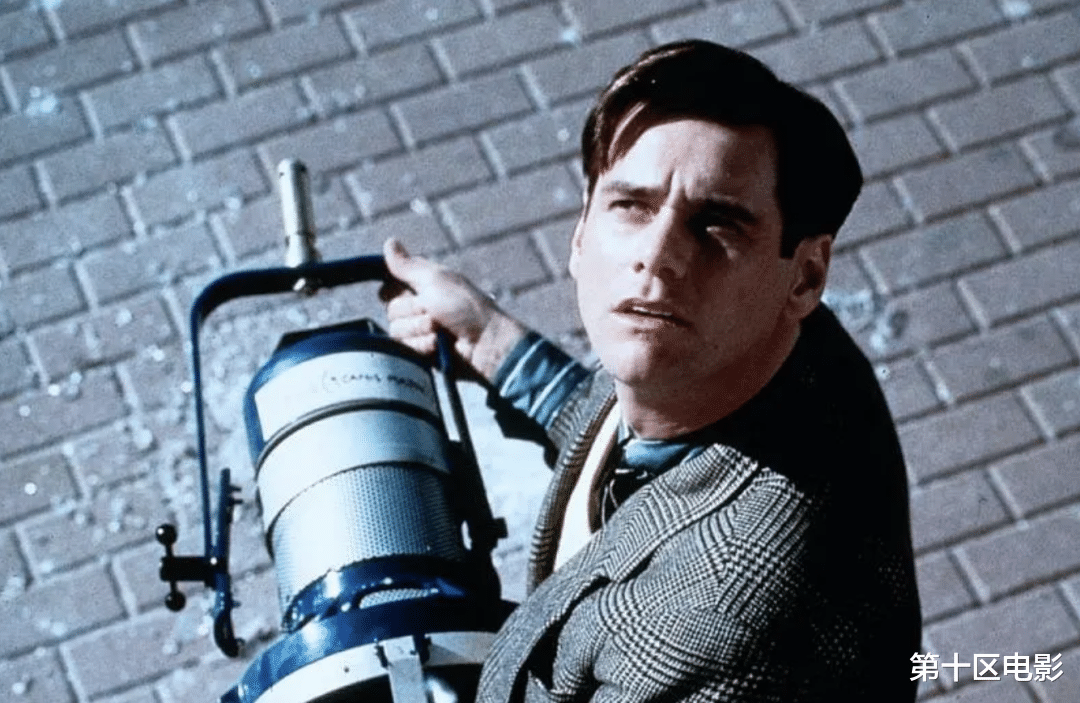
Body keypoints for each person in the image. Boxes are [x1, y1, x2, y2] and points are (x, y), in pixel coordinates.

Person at [380, 40, 921, 702]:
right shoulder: (782, 345)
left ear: (805, 275)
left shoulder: (718, 624)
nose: (658, 255)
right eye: (631, 205)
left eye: (717, 225)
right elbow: (644, 423)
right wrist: (493, 342)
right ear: (581, 230)